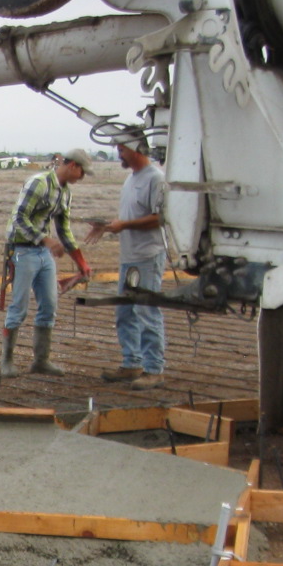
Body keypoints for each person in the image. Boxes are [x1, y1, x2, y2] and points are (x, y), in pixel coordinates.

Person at [0, 149, 93, 377]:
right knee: (19, 307)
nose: (81, 177)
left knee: (49, 305)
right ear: (72, 166)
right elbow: (18, 218)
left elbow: (64, 229)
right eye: (81, 172)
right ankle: (6, 361)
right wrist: (46, 239)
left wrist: (80, 261)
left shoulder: (65, 193)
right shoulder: (38, 183)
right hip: (22, 249)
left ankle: (41, 361)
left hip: (43, 252)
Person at [95, 135, 169, 390]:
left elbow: (159, 218)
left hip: (147, 255)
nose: (119, 154)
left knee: (147, 311)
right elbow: (131, 216)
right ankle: (132, 363)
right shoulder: (131, 179)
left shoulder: (155, 179)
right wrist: (109, 226)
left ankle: (153, 369)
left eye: (122, 149)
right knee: (125, 311)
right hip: (130, 256)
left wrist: (124, 225)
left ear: (137, 148)